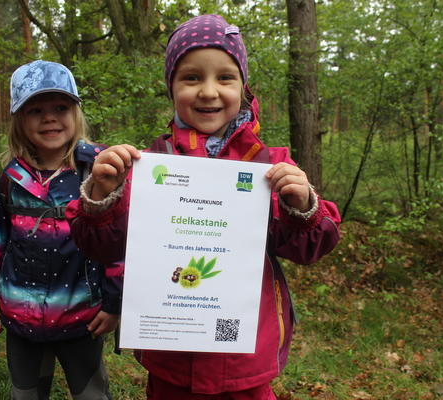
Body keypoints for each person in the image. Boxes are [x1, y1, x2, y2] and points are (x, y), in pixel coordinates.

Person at [67, 14, 341, 399]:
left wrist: (304, 206)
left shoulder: (269, 165)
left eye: (225, 77)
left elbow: (312, 246)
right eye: (192, 78)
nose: (209, 91)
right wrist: (101, 196)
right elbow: (99, 246)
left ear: (244, 87)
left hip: (245, 359)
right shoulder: (147, 166)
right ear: (172, 88)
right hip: (170, 357)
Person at [0, 60, 120, 400]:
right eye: (35, 110)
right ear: (19, 121)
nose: (49, 117)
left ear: (76, 114)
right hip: (21, 317)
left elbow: (114, 242)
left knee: (92, 391)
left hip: (83, 317)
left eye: (60, 107)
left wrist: (114, 303)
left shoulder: (97, 174)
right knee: (26, 392)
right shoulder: (11, 180)